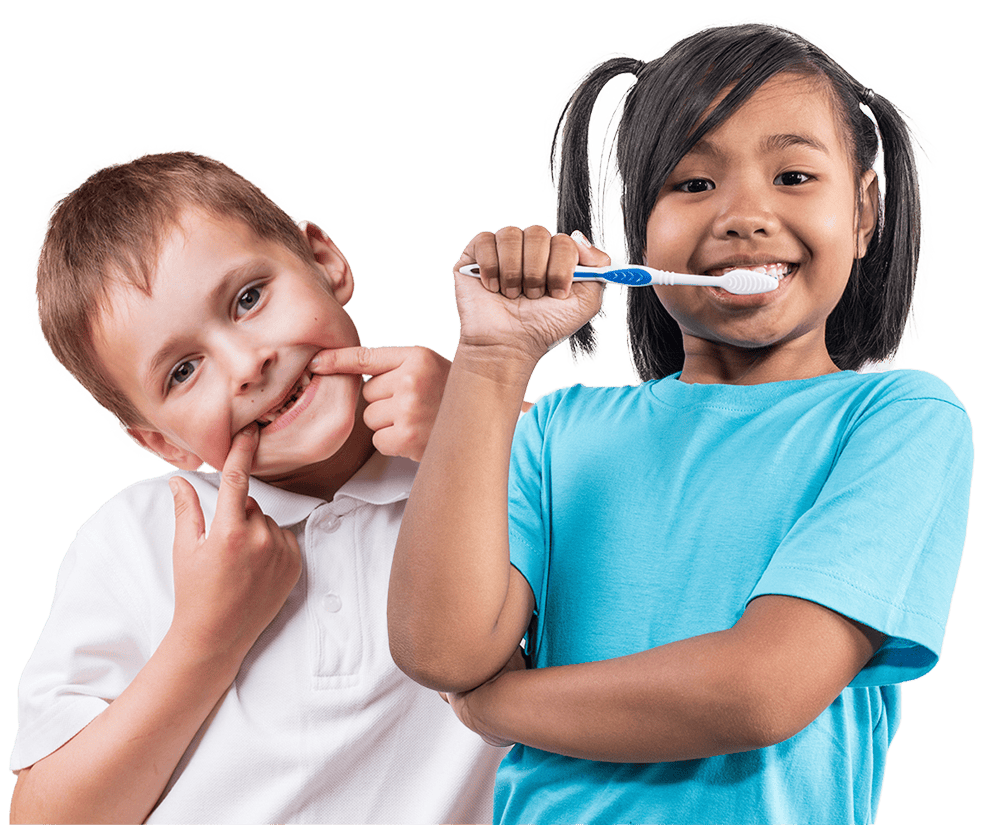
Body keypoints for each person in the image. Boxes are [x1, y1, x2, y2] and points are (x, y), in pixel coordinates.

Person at [387, 18, 974, 825]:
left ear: (866, 210)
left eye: (795, 175)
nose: (743, 214)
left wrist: (496, 705)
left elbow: (762, 688)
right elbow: (439, 650)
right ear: (637, 226)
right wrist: (491, 360)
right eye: (692, 184)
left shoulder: (899, 420)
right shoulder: (558, 429)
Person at [10, 148, 504, 823]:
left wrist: (481, 428)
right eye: (184, 370)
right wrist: (206, 634)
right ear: (161, 442)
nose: (248, 364)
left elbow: (639, 539)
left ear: (324, 259)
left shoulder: (495, 463)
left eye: (248, 298)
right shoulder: (140, 538)